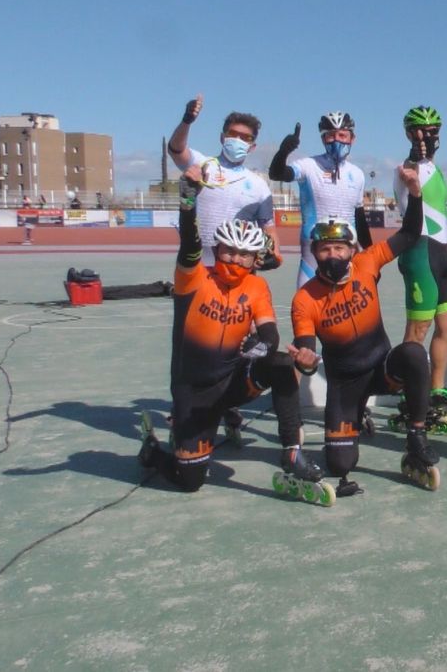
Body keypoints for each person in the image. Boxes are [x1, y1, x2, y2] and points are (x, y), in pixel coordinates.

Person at [137, 170, 326, 501]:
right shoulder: (193, 278)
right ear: (217, 249)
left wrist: (262, 345)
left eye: (244, 255)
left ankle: (292, 451)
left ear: (255, 260)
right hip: (193, 389)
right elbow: (189, 243)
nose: (235, 260)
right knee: (190, 481)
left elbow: (269, 330)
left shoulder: (256, 286)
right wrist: (187, 200)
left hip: (233, 380)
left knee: (281, 364)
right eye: (228, 252)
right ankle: (153, 452)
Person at [288, 170, 440, 496]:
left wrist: (415, 193)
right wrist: (305, 360)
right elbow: (306, 350)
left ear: (351, 250)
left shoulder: (367, 263)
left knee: (414, 353)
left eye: (339, 249)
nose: (333, 256)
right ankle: (354, 420)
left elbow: (411, 233)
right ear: (314, 252)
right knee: (341, 465)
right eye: (325, 249)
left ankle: (416, 436)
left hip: (382, 369)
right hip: (344, 385)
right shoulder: (304, 299)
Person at [392, 106, 447, 426]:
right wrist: (414, 155)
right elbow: (408, 173)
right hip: (419, 252)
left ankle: (437, 388)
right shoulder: (407, 168)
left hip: (442, 254)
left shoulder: (435, 168)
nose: (429, 135)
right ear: (410, 133)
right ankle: (405, 391)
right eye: (421, 130)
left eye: (433, 129)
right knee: (418, 330)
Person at [167, 95, 281, 270]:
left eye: (245, 138)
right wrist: (187, 121)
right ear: (222, 137)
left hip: (238, 268)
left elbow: (268, 226)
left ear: (252, 146)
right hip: (198, 266)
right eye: (233, 134)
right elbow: (176, 149)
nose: (238, 140)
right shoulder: (202, 163)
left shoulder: (259, 184)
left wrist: (275, 255)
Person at [269, 112, 371, 288]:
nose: (336, 140)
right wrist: (283, 151)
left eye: (342, 135)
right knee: (305, 310)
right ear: (323, 139)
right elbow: (277, 173)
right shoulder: (308, 165)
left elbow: (359, 217)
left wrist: (371, 257)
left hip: (348, 253)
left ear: (352, 138)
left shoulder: (358, 174)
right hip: (314, 256)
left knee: (350, 313)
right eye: (330, 135)